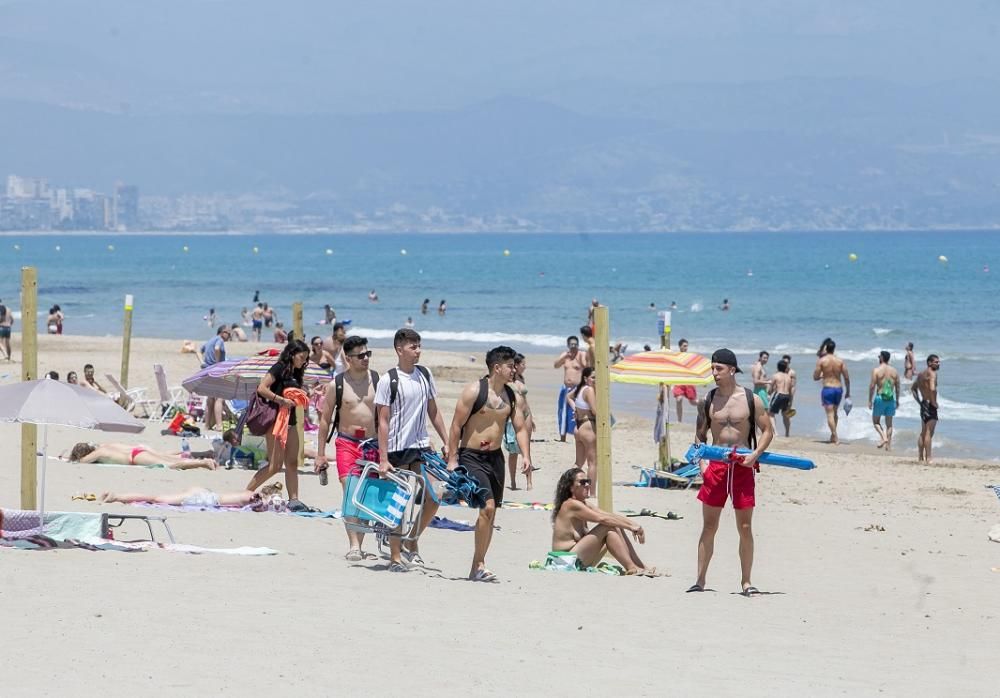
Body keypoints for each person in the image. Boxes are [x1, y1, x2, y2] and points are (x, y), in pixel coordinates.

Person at [690, 348, 774, 596]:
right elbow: (700, 435)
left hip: (742, 465)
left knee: (745, 527)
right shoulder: (708, 400)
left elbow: (767, 430)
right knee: (709, 525)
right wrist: (702, 465)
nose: (714, 373)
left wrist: (755, 455)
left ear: (732, 370)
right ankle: (700, 580)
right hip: (715, 466)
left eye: (719, 368)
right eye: (712, 368)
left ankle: (746, 582)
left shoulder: (751, 399)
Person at [447, 345, 532, 582]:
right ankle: (480, 564)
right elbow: (456, 426)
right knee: (488, 508)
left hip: (495, 458)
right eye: (510, 365)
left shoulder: (511, 395)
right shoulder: (474, 391)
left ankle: (477, 565)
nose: (514, 369)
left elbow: (520, 428)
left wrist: (525, 456)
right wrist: (452, 459)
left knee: (491, 515)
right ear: (497, 367)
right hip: (471, 456)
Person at [375, 328, 449, 572]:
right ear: (399, 349)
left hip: (421, 446)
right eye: (413, 347)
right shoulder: (389, 380)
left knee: (436, 494)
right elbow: (383, 421)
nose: (418, 351)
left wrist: (447, 441)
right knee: (398, 502)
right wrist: (383, 458)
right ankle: (395, 557)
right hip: (397, 449)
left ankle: (412, 538)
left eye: (419, 346)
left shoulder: (425, 375)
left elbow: (434, 411)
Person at [316, 335, 380, 560]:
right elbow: (325, 420)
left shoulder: (377, 380)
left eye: (368, 354)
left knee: (365, 494)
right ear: (349, 359)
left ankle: (359, 545)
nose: (366, 358)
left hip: (372, 445)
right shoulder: (337, 384)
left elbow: (386, 417)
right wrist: (320, 454)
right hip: (347, 443)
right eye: (361, 355)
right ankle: (354, 545)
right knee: (350, 489)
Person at [246, 339, 311, 510]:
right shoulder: (279, 367)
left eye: (305, 358)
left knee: (292, 462)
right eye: (301, 357)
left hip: (291, 421)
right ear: (292, 354)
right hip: (275, 420)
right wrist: (281, 400)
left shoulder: (296, 373)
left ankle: (294, 500)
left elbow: (294, 394)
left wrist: (306, 394)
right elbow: (262, 388)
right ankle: (246, 492)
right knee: (275, 465)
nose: (303, 361)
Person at [551, 468, 655, 576]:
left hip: (577, 559)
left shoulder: (583, 503)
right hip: (563, 561)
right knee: (608, 526)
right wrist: (631, 527)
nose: (587, 485)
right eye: (582, 482)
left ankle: (639, 566)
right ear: (571, 487)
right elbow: (602, 519)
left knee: (615, 527)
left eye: (588, 481)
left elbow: (609, 516)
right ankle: (632, 567)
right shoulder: (570, 505)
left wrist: (634, 525)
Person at [99, 482, 285, 509]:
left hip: (204, 494)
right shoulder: (253, 496)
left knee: (157, 497)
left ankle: (117, 496)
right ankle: (116, 496)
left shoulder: (250, 493)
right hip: (205, 498)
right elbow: (259, 504)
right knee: (155, 498)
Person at [67, 442, 217, 470]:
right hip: (138, 450)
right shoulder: (103, 446)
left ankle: (203, 463)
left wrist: (72, 458)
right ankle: (202, 459)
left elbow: (81, 462)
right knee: (171, 458)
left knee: (171, 465)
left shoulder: (97, 453)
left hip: (135, 458)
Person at [812, 338, 850, 444]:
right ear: (834, 349)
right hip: (838, 388)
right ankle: (833, 436)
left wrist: (822, 376)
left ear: (826, 349)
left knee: (829, 414)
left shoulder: (822, 361)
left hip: (828, 388)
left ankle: (835, 436)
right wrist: (848, 392)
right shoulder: (840, 361)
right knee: (835, 413)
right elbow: (846, 377)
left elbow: (815, 377)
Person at [505, 353, 534, 491]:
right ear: (515, 366)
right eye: (523, 364)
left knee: (526, 448)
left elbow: (526, 400)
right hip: (513, 416)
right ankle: (513, 481)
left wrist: (531, 417)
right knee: (513, 451)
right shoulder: (506, 381)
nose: (525, 366)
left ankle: (529, 482)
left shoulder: (521, 379)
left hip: (526, 414)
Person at [567, 367, 597, 494]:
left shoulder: (580, 389)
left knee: (578, 463)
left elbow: (568, 397)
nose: (595, 380)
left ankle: (568, 487)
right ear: (586, 378)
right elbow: (595, 412)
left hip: (578, 427)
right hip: (588, 427)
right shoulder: (589, 390)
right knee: (593, 463)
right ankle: (593, 493)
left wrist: (575, 409)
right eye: (593, 377)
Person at [554, 335, 587, 442]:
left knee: (577, 411)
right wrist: (564, 357)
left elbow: (586, 367)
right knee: (562, 412)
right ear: (568, 345)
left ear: (578, 345)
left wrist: (578, 358)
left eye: (575, 344)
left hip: (577, 389)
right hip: (565, 388)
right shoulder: (565, 355)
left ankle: (579, 436)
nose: (573, 346)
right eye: (571, 344)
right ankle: (562, 437)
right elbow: (556, 365)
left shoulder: (582, 354)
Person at [199, 325, 230, 431]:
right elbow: (217, 348)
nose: (229, 336)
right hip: (216, 370)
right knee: (219, 398)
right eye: (228, 333)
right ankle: (219, 425)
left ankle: (207, 425)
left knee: (210, 398)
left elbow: (199, 350)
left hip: (207, 370)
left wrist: (202, 362)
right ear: (222, 333)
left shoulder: (210, 340)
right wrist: (218, 363)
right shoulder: (219, 340)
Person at [868, 350, 901, 451]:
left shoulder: (876, 370)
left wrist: (869, 400)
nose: (878, 358)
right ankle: (888, 446)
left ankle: (883, 437)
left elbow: (872, 386)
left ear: (882, 358)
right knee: (889, 424)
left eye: (879, 357)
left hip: (880, 398)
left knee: (876, 422)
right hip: (890, 399)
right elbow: (898, 387)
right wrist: (897, 400)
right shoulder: (894, 371)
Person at [912, 354, 941, 463]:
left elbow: (913, 389)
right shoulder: (932, 373)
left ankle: (920, 457)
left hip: (924, 404)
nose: (938, 364)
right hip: (930, 405)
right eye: (936, 362)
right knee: (929, 432)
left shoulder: (920, 375)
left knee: (923, 432)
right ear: (929, 363)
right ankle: (928, 458)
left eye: (938, 362)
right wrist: (934, 402)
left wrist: (919, 402)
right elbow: (933, 389)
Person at [671, 338, 698, 422]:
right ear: (680, 346)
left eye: (687, 346)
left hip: (688, 382)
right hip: (679, 382)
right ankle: (679, 421)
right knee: (679, 399)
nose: (686, 348)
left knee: (693, 402)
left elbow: (694, 369)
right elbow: (673, 370)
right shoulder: (676, 357)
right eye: (684, 346)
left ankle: (707, 404)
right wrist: (671, 384)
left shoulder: (689, 357)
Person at [768, 359, 795, 437]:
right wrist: (790, 400)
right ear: (786, 368)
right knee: (785, 415)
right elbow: (790, 390)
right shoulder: (789, 377)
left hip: (779, 395)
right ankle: (787, 433)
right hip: (787, 396)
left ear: (778, 367)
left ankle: (775, 432)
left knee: (770, 414)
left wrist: (769, 393)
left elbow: (771, 388)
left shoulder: (775, 375)